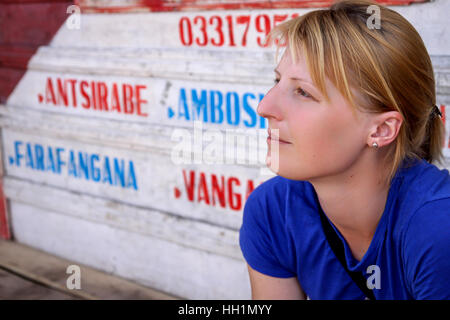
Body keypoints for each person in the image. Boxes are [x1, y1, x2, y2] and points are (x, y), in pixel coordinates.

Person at [239, 0, 450, 300]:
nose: (264, 107)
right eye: (277, 80)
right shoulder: (272, 211)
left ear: (381, 129)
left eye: (303, 92)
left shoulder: (438, 230)